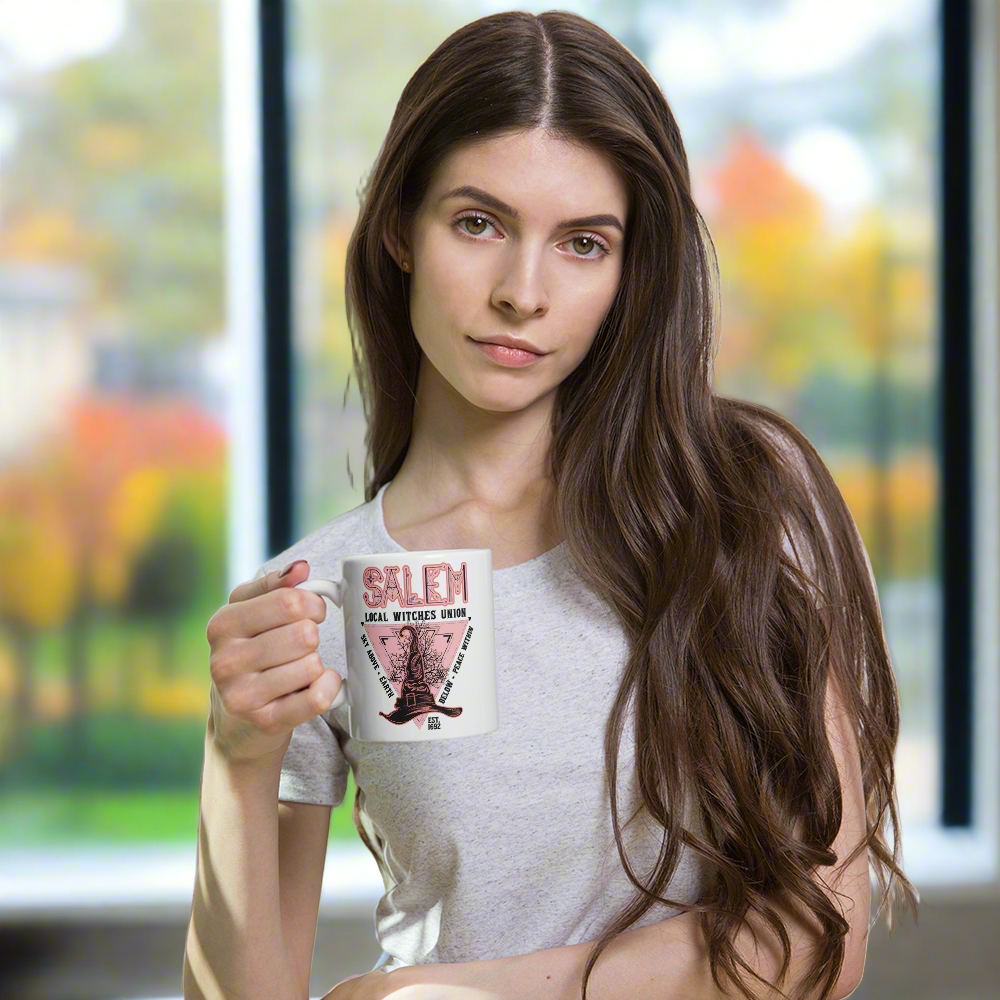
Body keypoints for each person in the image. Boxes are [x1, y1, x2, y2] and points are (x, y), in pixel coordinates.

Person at [183, 10, 920, 1000]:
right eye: (478, 223)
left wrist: (447, 994)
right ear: (400, 226)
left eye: (582, 243)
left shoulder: (747, 499)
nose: (522, 293)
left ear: (629, 271)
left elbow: (814, 937)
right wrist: (235, 758)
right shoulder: (320, 601)